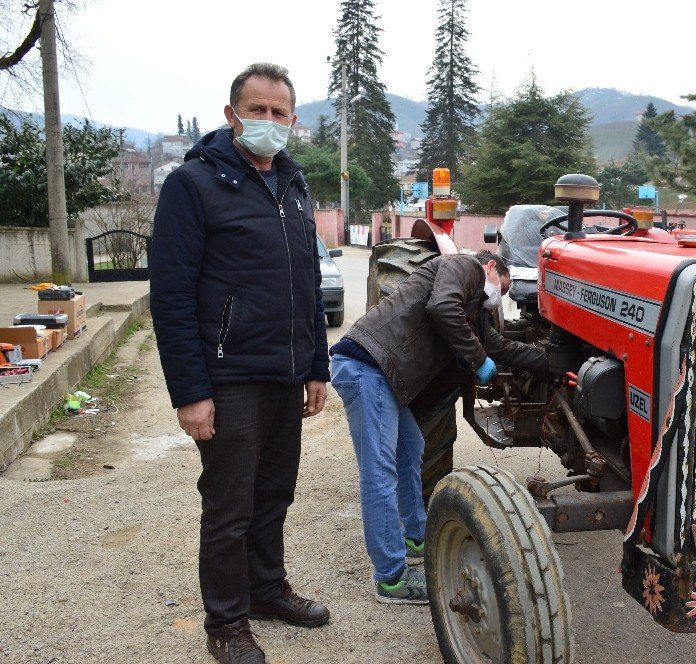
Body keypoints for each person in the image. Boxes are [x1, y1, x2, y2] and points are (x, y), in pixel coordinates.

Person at [150, 63, 330, 664]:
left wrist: (316, 366)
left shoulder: (294, 185)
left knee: (275, 494)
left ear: (293, 122)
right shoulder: (193, 185)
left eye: (280, 114)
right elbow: (172, 296)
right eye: (258, 110)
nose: (269, 123)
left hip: (285, 374)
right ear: (232, 115)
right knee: (230, 505)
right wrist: (189, 392)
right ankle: (226, 624)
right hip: (228, 376)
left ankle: (266, 590)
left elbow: (305, 281)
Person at [330, 250, 547, 604]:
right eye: (502, 288)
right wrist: (479, 362)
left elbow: (494, 343)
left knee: (411, 447)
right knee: (379, 472)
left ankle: (415, 535)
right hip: (368, 367)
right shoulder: (462, 266)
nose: (500, 299)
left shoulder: (473, 306)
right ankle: (391, 578)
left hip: (385, 376)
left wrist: (545, 361)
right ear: (491, 267)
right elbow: (442, 309)